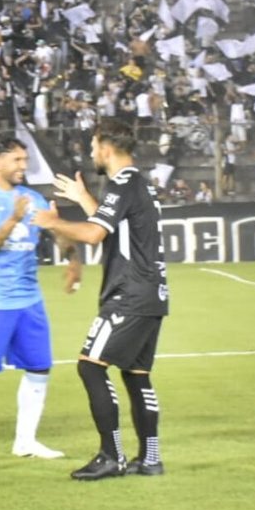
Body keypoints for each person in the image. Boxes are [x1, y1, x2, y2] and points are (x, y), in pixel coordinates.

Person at [33, 120, 169, 480]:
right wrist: (82, 198)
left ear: (106, 148)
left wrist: (52, 223)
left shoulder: (122, 184)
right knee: (137, 375)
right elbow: (110, 225)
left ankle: (112, 455)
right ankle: (150, 458)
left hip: (129, 294)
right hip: (152, 294)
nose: (91, 152)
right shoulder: (139, 184)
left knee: (91, 366)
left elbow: (94, 234)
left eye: (93, 146)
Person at [0, 139, 79, 464]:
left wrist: (72, 257)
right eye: (17, 160)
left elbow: (56, 233)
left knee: (39, 369)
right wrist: (12, 218)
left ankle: (26, 442)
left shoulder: (34, 198)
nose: (24, 166)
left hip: (30, 301)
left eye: (25, 159)